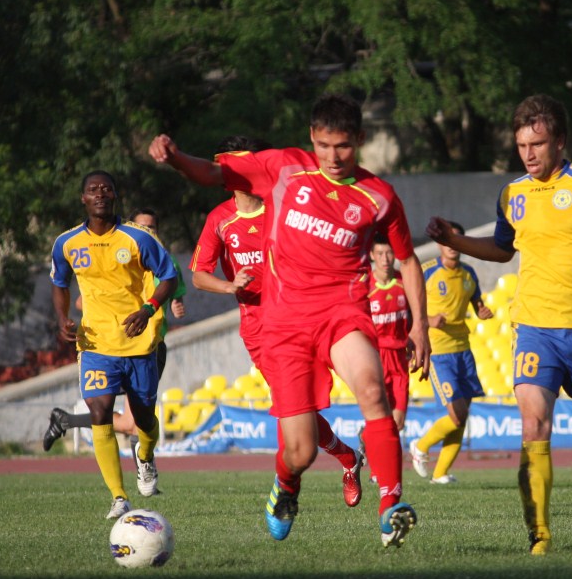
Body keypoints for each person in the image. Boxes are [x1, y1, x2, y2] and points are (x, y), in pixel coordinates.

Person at [149, 92, 430, 548]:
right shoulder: (284, 167)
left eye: (343, 146)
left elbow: (409, 260)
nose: (333, 157)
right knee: (299, 451)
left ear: (360, 139)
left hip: (342, 312)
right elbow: (214, 174)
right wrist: (175, 157)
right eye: (324, 145)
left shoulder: (378, 196)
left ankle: (390, 507)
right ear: (311, 138)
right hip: (284, 323)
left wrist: (419, 326)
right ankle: (285, 484)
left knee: (372, 390)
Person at [425, 94, 572, 555]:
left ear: (560, 141)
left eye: (538, 144)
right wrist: (455, 240)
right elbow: (501, 249)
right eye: (521, 146)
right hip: (535, 329)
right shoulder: (512, 194)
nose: (528, 154)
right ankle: (540, 535)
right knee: (533, 425)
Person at [189, 135, 366, 509]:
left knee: (330, 397)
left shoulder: (284, 207)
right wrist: (229, 286)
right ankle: (343, 459)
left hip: (306, 314)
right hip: (261, 328)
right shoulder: (220, 219)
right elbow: (199, 275)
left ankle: (359, 458)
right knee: (296, 408)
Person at [49, 171, 179, 519]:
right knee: (99, 411)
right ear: (83, 198)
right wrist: (62, 318)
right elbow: (59, 283)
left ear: (115, 196)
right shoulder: (67, 243)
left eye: (106, 189)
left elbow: (170, 276)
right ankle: (119, 497)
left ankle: (145, 456)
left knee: (144, 418)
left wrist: (148, 309)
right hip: (95, 343)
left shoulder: (138, 238)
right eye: (93, 190)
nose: (100, 194)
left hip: (138, 343)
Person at [42, 209, 187, 456]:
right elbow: (80, 301)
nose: (147, 231)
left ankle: (67, 421)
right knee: (130, 421)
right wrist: (107, 310)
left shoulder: (168, 263)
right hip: (115, 344)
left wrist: (176, 304)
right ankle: (143, 466)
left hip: (152, 344)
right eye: (142, 226)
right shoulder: (121, 254)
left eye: (151, 227)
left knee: (135, 421)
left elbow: (175, 291)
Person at [409, 221, 494, 485]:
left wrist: (482, 311)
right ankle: (420, 446)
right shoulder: (427, 271)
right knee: (456, 415)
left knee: (462, 416)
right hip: (438, 351)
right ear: (439, 244)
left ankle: (441, 473)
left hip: (463, 350)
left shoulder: (468, 273)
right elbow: (408, 305)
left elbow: (477, 303)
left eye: (457, 240)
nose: (452, 246)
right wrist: (428, 319)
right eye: (447, 240)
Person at [367, 234, 412, 433]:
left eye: (389, 253)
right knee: (381, 417)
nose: (385, 259)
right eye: (380, 254)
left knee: (398, 421)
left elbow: (415, 314)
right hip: (376, 357)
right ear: (372, 255)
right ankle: (368, 442)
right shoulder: (364, 285)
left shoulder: (405, 281)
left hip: (400, 356)